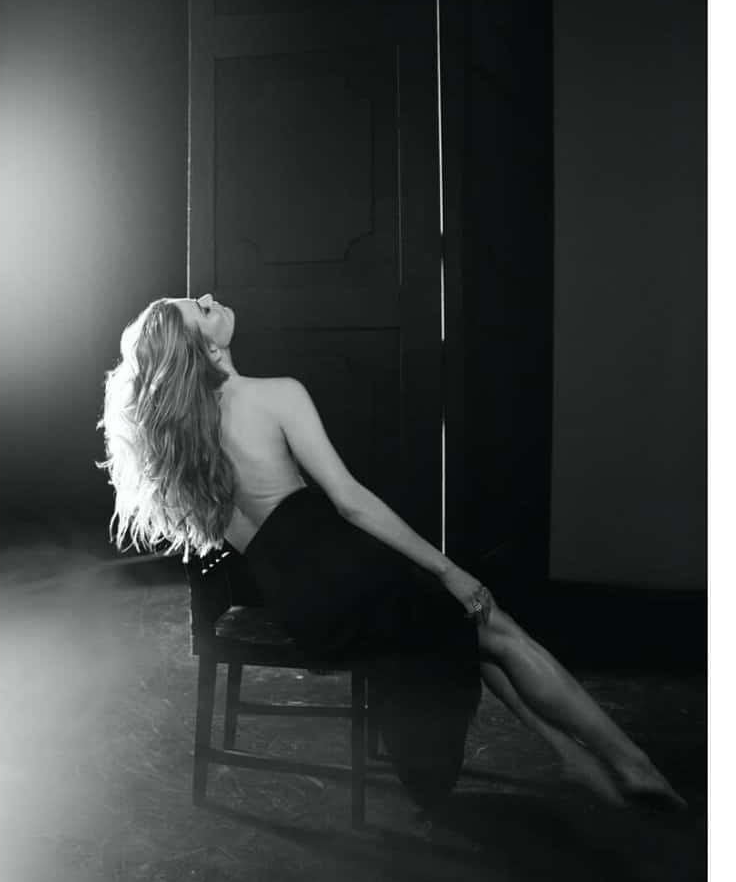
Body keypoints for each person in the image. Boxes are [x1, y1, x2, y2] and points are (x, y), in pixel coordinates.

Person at [97, 293, 686, 812]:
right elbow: (351, 502)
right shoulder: (274, 396)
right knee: (491, 621)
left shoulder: (184, 438)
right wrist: (450, 570)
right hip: (341, 570)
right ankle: (631, 763)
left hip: (303, 604)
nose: (209, 298)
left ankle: (566, 752)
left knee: (466, 630)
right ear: (202, 346)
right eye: (200, 309)